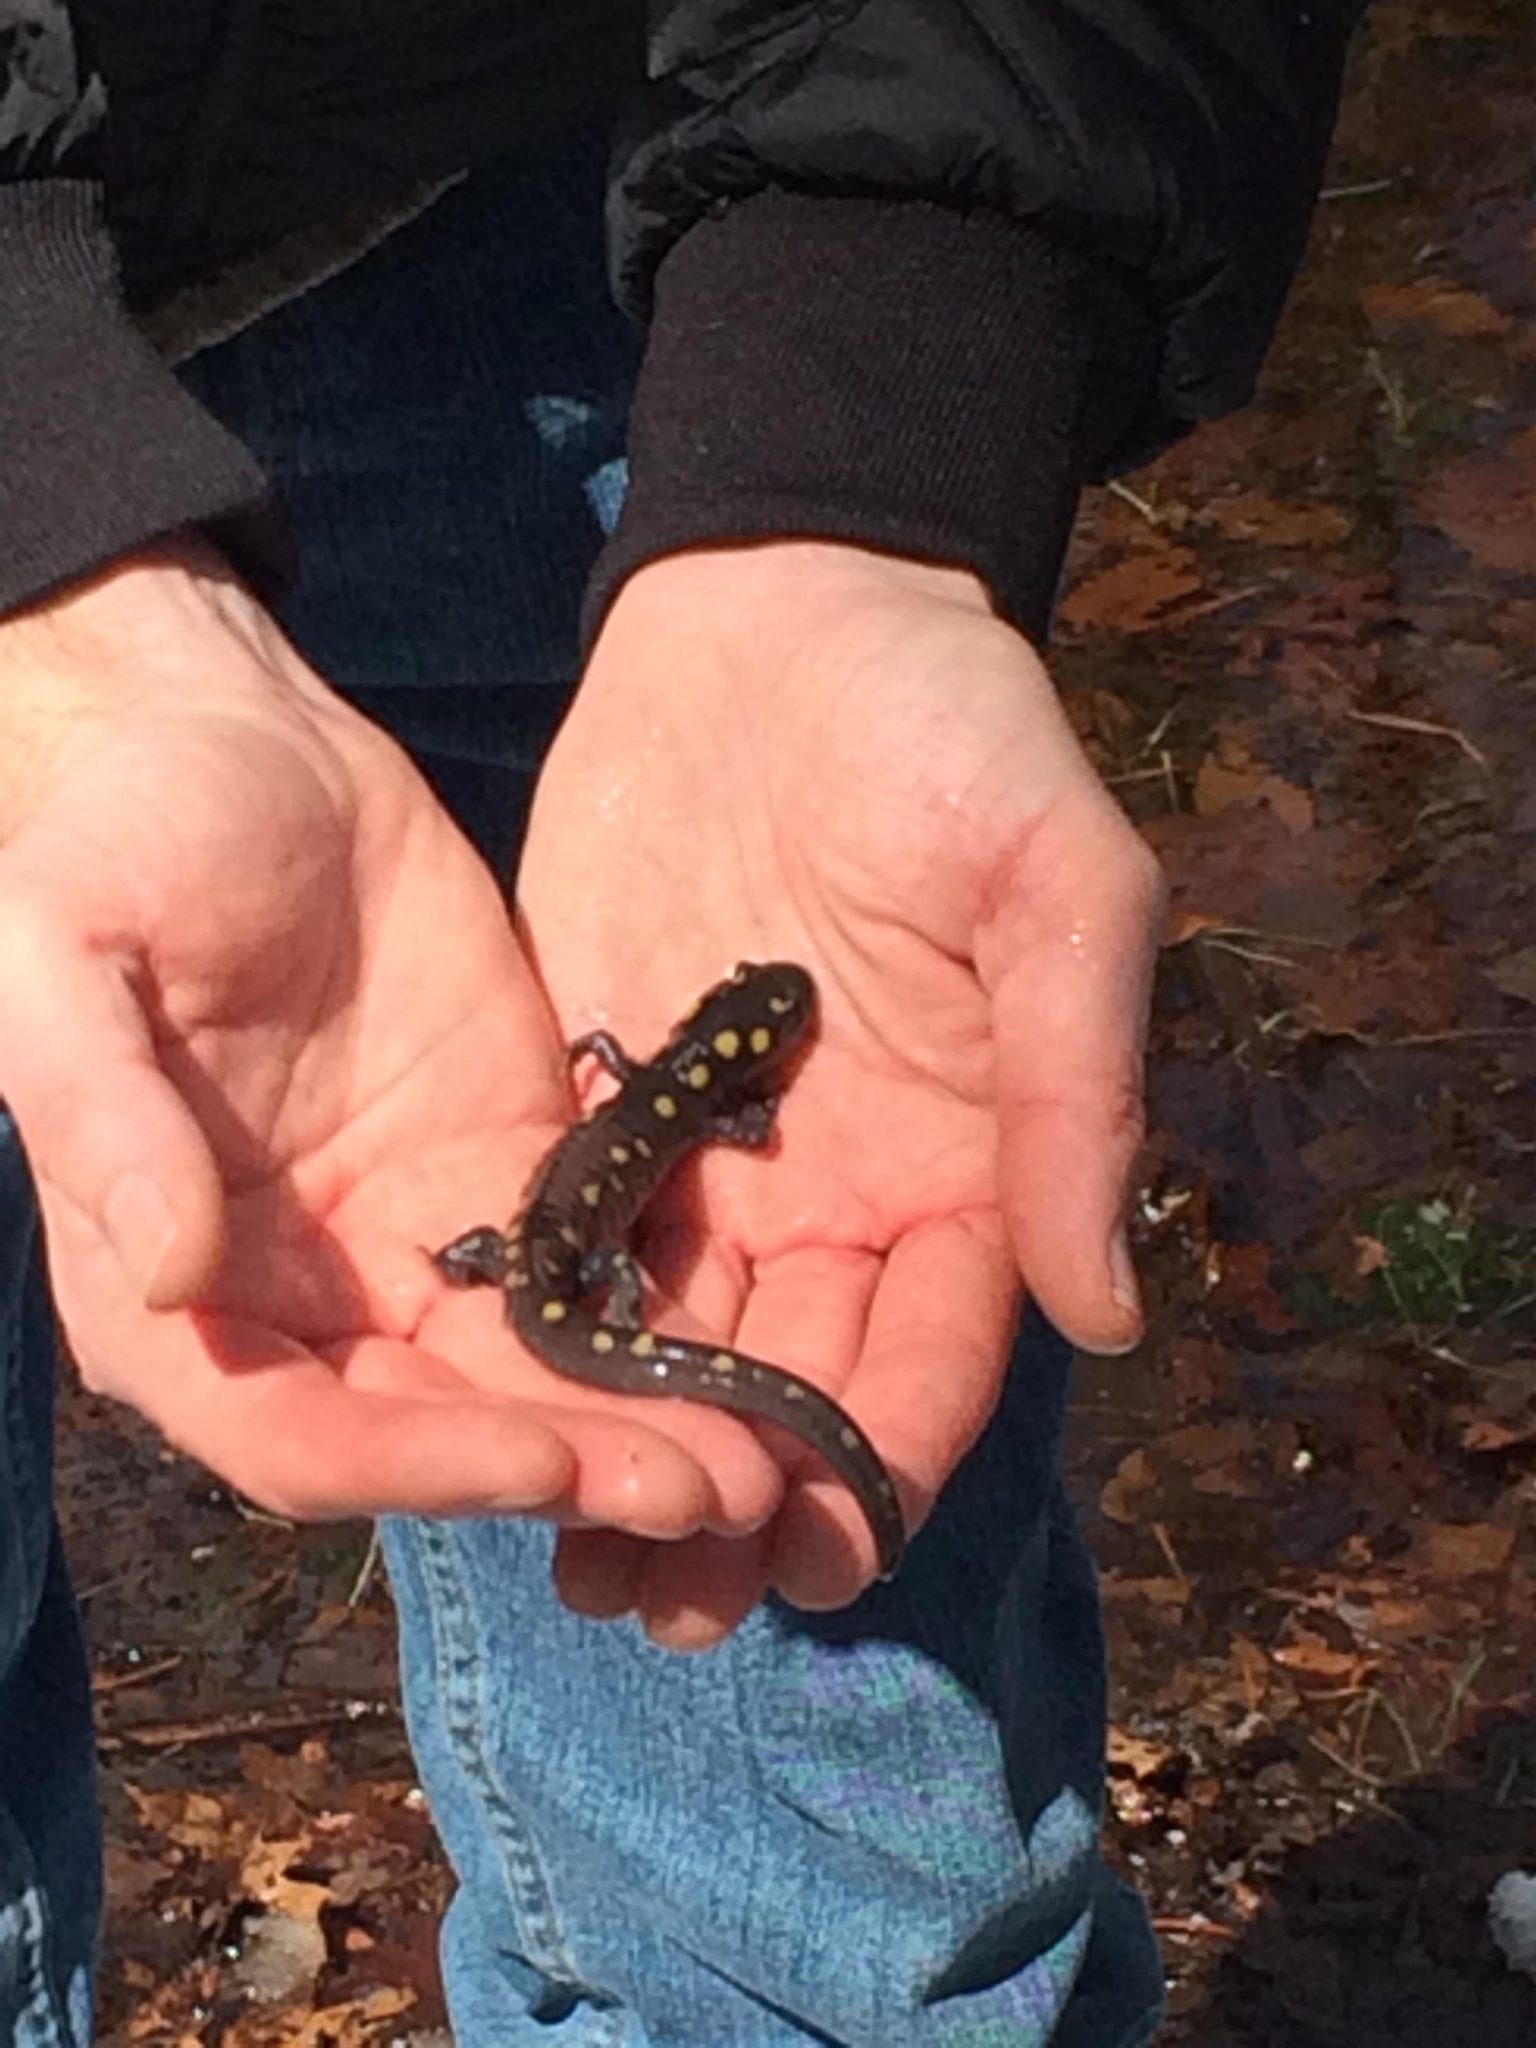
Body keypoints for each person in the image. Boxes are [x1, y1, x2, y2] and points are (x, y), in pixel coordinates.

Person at [0, 4, 1365, 2042]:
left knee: (818, 1830)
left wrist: (877, 382)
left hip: (553, 195)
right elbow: (667, 1107)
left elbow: (648, 1120)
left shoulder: (668, 1112)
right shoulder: (691, 1100)